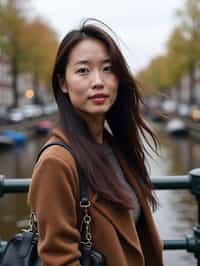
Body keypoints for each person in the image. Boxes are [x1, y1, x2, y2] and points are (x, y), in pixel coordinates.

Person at [27, 19, 163, 266]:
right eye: (83, 71)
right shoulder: (56, 163)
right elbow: (59, 260)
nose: (98, 81)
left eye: (107, 69)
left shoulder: (116, 147)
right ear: (63, 83)